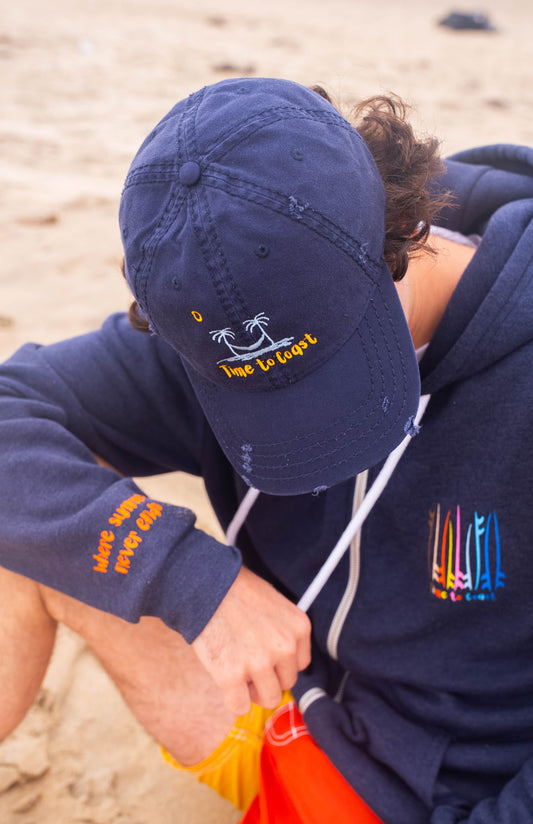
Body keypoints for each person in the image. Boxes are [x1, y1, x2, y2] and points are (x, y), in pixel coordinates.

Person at [1, 76, 532, 823]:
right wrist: (181, 572)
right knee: (25, 530)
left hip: (424, 798)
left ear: (399, 230)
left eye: (325, 373)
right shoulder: (214, 314)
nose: (304, 431)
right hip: (271, 706)